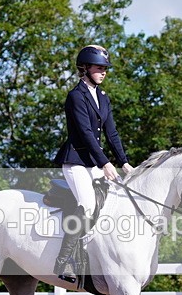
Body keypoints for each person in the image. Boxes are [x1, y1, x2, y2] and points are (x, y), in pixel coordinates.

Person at [53, 44, 135, 282]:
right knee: (88, 205)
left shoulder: (102, 97)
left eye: (105, 68)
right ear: (85, 68)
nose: (104, 72)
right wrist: (105, 163)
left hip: (95, 163)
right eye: (100, 68)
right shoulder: (75, 96)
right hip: (76, 161)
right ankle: (64, 261)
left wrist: (124, 162)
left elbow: (112, 133)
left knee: (113, 202)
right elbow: (86, 133)